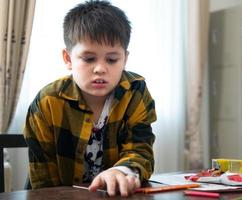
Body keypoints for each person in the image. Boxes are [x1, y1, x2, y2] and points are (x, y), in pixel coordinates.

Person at [23, 0, 157, 197]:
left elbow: (140, 150)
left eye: (112, 59)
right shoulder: (47, 103)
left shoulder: (135, 92)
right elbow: (44, 180)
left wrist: (122, 171)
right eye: (89, 59)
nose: (101, 68)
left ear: (125, 59)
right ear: (68, 59)